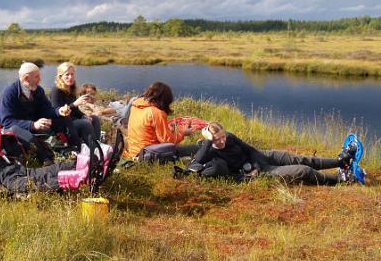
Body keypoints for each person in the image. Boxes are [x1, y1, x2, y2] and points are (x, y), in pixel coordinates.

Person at [188, 121, 358, 185]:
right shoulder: (209, 151)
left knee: (297, 158)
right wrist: (208, 141)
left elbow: (250, 149)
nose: (222, 141)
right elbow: (196, 162)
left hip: (260, 158)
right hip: (258, 173)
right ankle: (340, 179)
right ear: (210, 138)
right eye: (216, 139)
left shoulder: (230, 137)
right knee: (302, 171)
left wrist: (255, 164)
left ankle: (340, 161)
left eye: (222, 136)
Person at [0, 126, 78, 193]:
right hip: (6, 178)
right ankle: (75, 179)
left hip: (15, 169)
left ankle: (76, 164)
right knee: (37, 182)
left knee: (43, 172)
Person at [0, 62, 73, 163]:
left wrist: (59, 111)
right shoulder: (9, 93)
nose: (40, 80)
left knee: (60, 121)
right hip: (11, 132)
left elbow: (46, 110)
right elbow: (7, 121)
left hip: (31, 127)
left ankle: (68, 149)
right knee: (16, 129)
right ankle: (46, 158)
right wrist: (33, 125)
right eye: (37, 77)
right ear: (26, 78)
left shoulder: (38, 90)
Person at [124, 81, 199, 163]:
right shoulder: (155, 112)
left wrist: (169, 130)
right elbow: (168, 141)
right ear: (165, 99)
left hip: (133, 152)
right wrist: (183, 133)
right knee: (196, 149)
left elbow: (147, 132)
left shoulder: (136, 107)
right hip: (148, 154)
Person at [49, 62, 101, 147]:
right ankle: (93, 149)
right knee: (84, 124)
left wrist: (83, 116)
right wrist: (75, 104)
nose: (70, 77)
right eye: (67, 75)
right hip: (62, 126)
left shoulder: (71, 88)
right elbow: (57, 113)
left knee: (94, 118)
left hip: (72, 121)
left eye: (72, 74)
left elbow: (75, 110)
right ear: (60, 76)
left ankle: (97, 144)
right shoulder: (56, 91)